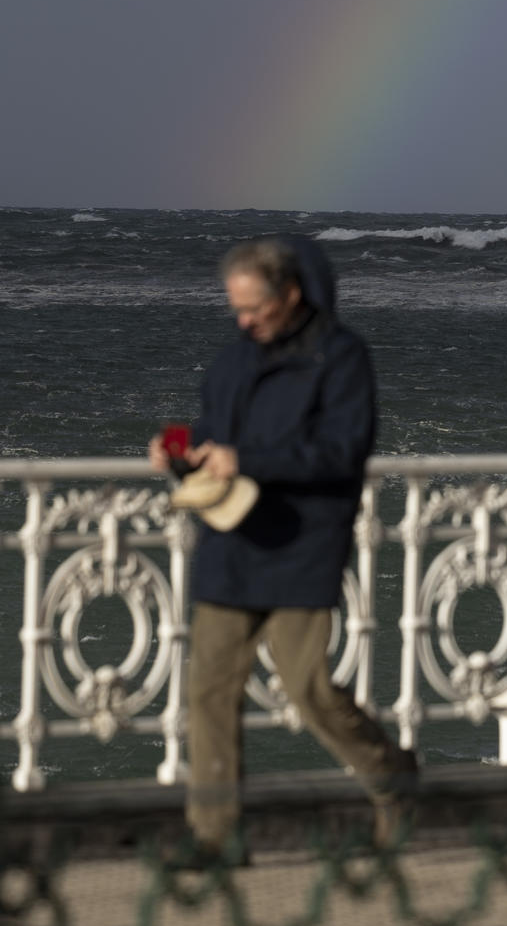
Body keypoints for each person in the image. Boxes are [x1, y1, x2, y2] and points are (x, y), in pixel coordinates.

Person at [149, 235, 413, 858]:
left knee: (308, 689)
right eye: (236, 310)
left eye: (254, 310)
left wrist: (251, 460)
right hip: (232, 540)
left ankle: (394, 780)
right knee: (209, 691)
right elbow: (215, 441)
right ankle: (215, 838)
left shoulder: (342, 358)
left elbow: (343, 452)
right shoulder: (233, 361)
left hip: (303, 543)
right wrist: (181, 458)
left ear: (291, 294)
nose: (243, 322)